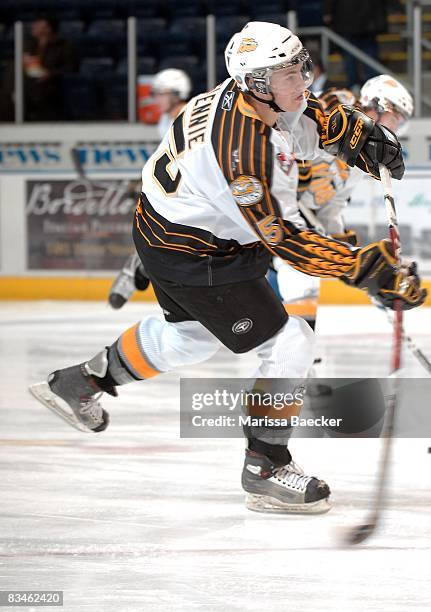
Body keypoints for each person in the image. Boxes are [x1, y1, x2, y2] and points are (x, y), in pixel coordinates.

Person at [29, 22, 426, 516]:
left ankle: (81, 382)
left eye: (301, 66)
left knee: (191, 338)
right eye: (288, 73)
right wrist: (368, 270)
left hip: (168, 233)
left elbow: (311, 115)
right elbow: (285, 238)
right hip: (196, 253)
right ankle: (266, 465)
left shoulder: (260, 100)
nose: (302, 79)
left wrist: (356, 133)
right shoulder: (244, 152)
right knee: (291, 340)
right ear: (257, 83)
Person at [276, 77, 414, 330]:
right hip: (270, 201)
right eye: (396, 116)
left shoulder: (361, 162)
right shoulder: (341, 105)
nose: (397, 127)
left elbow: (334, 203)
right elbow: (316, 119)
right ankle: (293, 352)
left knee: (304, 279)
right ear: (378, 105)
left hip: (296, 214)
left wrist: (342, 242)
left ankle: (298, 350)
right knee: (299, 277)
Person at [108, 68, 192, 309]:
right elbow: (165, 156)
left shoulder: (188, 115)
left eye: (160, 93)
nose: (155, 98)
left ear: (177, 94)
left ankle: (141, 264)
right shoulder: (165, 121)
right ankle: (142, 262)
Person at [323, 0, 388, 88]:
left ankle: (358, 86)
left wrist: (328, 11)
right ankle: (369, 85)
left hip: (353, 20)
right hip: (365, 21)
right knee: (360, 57)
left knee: (354, 57)